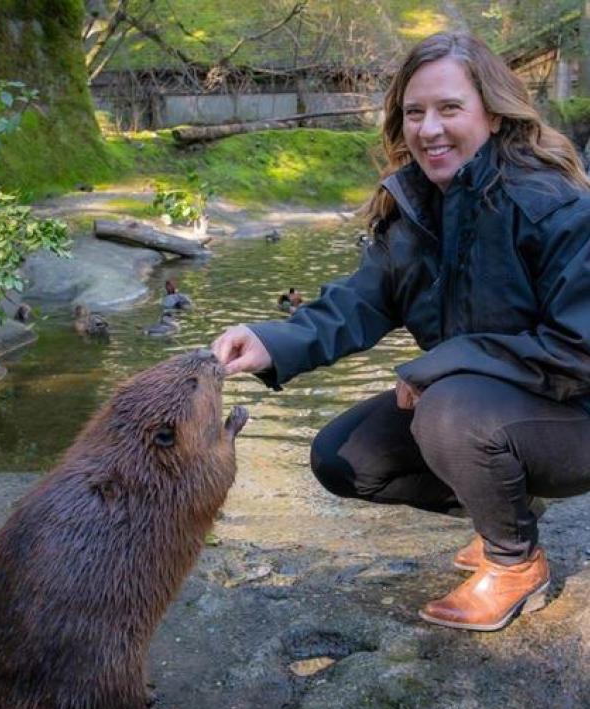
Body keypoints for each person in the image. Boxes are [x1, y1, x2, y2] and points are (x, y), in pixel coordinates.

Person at [212, 32, 590, 632]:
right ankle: (509, 508)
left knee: (445, 408)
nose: (429, 129)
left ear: (492, 113)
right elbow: (360, 302)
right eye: (414, 112)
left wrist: (440, 365)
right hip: (485, 408)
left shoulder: (553, 205)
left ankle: (515, 564)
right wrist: (268, 343)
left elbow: (579, 353)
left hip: (573, 419)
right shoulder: (414, 206)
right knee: (342, 459)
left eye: (449, 109)